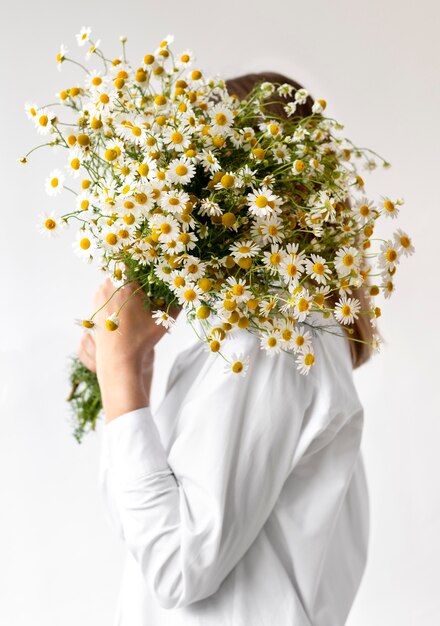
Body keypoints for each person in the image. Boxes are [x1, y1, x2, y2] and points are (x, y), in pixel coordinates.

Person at [76, 72, 372, 626]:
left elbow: (178, 568)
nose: (175, 200)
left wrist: (119, 374)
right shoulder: (248, 339)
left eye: (192, 170)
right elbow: (148, 540)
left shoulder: (280, 339)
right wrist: (130, 379)